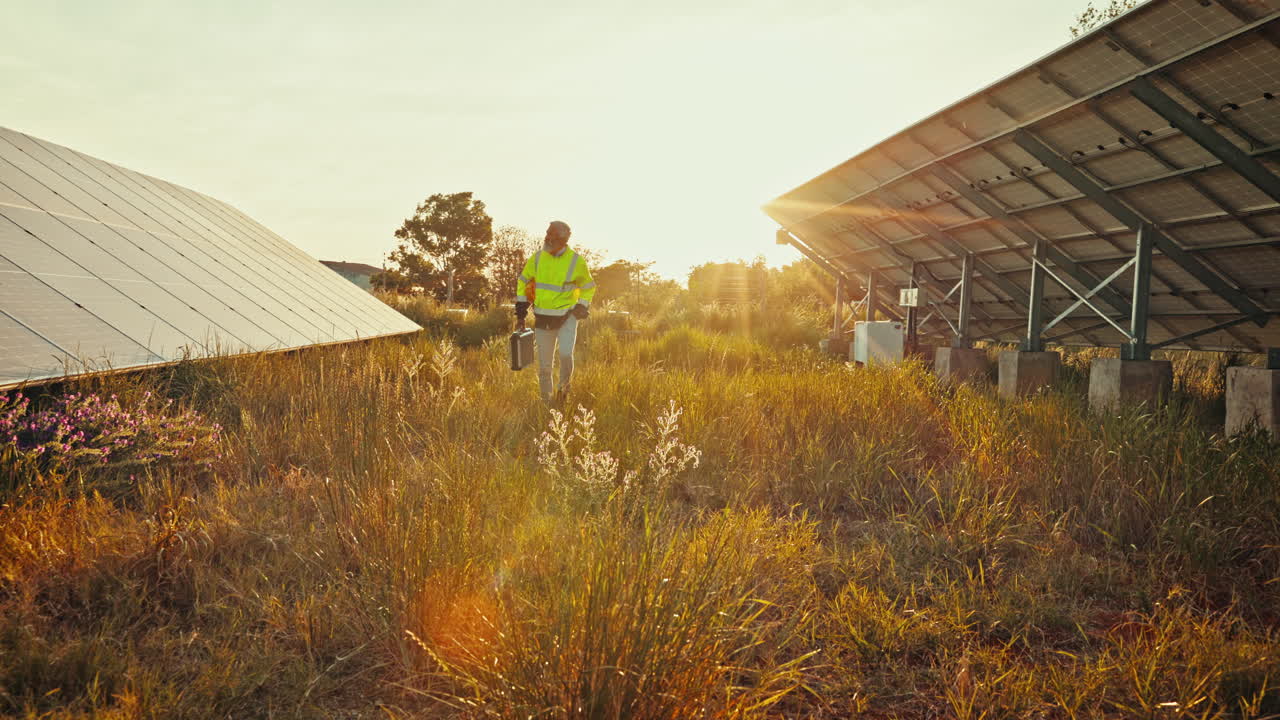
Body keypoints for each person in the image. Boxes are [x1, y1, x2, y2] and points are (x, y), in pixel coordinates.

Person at [514, 220, 596, 405]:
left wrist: (581, 306)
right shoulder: (537, 258)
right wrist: (521, 310)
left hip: (567, 317)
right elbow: (522, 282)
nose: (547, 238)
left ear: (562, 240)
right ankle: (546, 402)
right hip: (543, 317)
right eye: (547, 234)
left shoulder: (576, 261)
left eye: (552, 236)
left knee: (566, 355)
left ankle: (563, 393)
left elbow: (589, 287)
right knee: (544, 367)